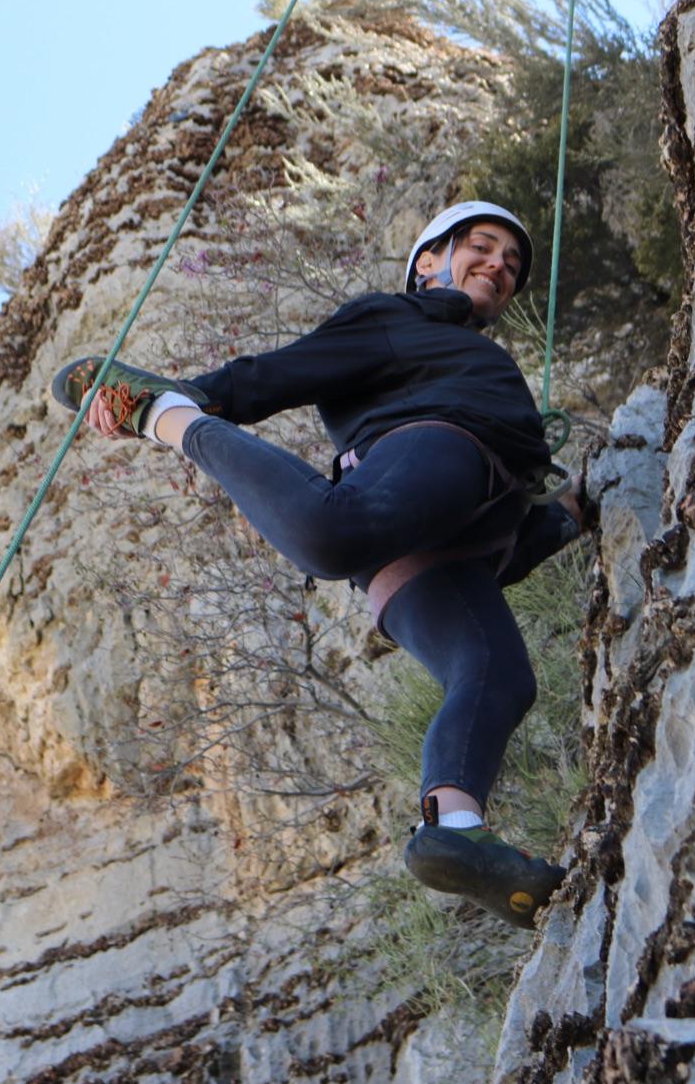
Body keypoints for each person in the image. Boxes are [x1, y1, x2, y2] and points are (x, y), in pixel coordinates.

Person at [51, 201, 581, 927]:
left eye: (512, 264)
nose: (500, 266)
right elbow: (282, 372)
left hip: (467, 525)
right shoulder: (396, 317)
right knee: (332, 534)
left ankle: (455, 829)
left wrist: (569, 515)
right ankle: (165, 414)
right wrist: (197, 394)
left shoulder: (461, 347)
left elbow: (508, 556)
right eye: (482, 247)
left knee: (498, 675)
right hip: (436, 457)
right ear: (427, 262)